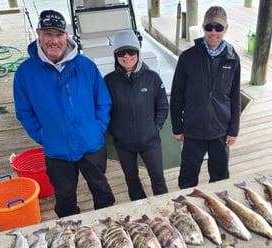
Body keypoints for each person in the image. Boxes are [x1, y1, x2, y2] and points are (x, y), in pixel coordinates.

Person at [13, 10, 115, 218]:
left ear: (66, 36)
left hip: (90, 143)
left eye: (59, 35)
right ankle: (69, 231)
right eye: (48, 34)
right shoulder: (25, 72)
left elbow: (103, 101)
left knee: (101, 187)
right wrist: (43, 135)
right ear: (38, 33)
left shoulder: (86, 65)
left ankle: (109, 222)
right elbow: (24, 112)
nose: (54, 40)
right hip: (56, 149)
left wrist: (97, 129)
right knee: (65, 195)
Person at [170, 6, 241, 189]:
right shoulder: (187, 57)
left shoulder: (233, 58)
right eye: (209, 27)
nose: (213, 32)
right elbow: (177, 95)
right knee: (187, 176)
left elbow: (234, 96)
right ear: (203, 27)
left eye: (219, 27)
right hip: (193, 129)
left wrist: (233, 129)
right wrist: (177, 127)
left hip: (220, 130)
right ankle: (185, 209)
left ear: (226, 28)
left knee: (220, 177)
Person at [104, 30, 169, 201]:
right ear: (116, 55)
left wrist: (155, 128)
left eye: (131, 52)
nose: (126, 56)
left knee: (158, 179)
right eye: (121, 53)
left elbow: (163, 107)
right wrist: (114, 130)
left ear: (138, 53)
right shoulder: (109, 81)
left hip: (150, 141)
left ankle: (164, 207)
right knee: (131, 180)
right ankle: (140, 208)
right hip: (123, 144)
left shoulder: (153, 78)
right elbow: (104, 109)